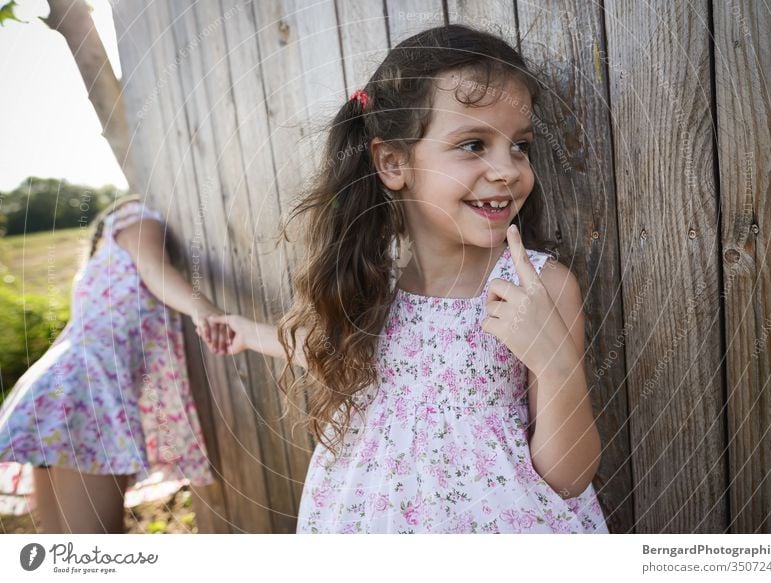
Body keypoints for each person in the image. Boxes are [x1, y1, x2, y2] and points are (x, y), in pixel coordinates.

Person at [202, 24, 609, 533]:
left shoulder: (536, 288)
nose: (508, 170)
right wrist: (245, 331)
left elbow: (569, 479)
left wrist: (555, 365)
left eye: (520, 145)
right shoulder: (375, 285)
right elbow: (328, 351)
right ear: (393, 162)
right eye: (473, 144)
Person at [0, 195, 226, 533]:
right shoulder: (137, 217)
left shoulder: (99, 267)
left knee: (62, 545)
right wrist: (205, 310)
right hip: (90, 395)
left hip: (61, 392)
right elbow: (154, 270)